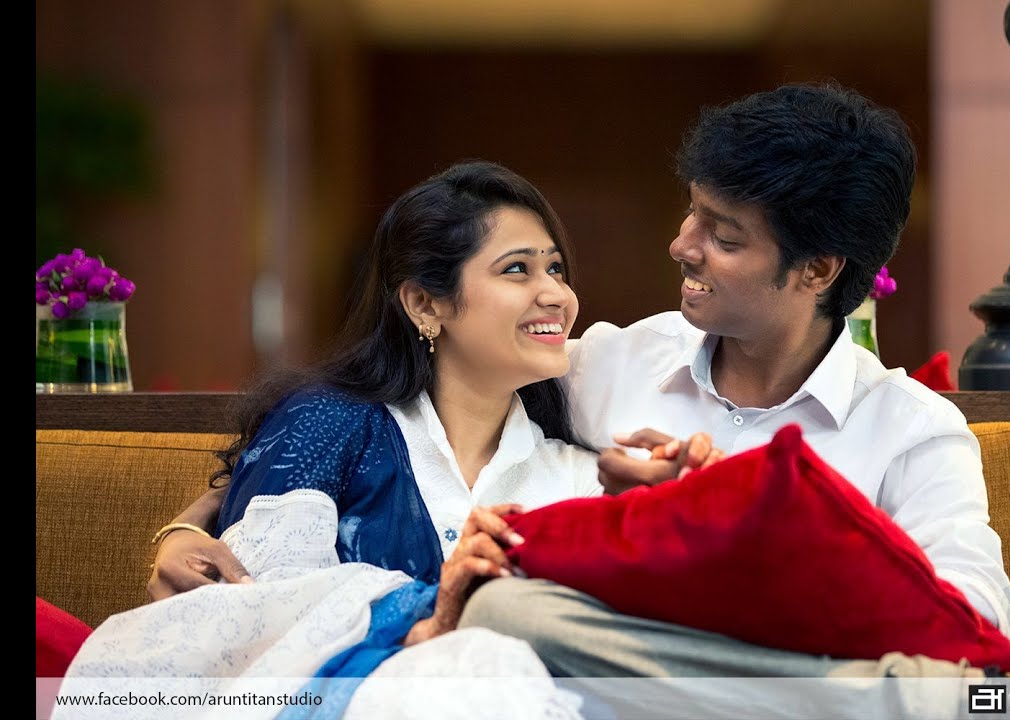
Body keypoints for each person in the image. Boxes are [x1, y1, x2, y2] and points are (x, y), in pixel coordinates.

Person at [149, 82, 1010, 681]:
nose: (682, 246)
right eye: (692, 212)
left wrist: (738, 525)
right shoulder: (607, 364)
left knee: (955, 691)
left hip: (777, 684)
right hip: (601, 684)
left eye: (724, 236)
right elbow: (390, 417)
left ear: (818, 270)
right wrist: (192, 521)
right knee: (508, 617)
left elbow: (977, 632)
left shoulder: (911, 430)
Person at [57, 160, 616, 719]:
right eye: (517, 269)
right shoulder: (327, 425)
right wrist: (430, 613)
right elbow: (258, 614)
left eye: (556, 269)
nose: (556, 294)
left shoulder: (580, 480)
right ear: (425, 304)